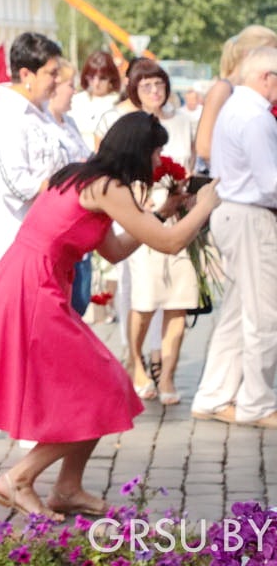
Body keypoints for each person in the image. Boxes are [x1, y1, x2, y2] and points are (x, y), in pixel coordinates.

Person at [0, 111, 220, 519]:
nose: (158, 162)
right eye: (156, 152)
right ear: (139, 151)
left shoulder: (82, 176)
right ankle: (19, 479)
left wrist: (161, 213)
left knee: (100, 388)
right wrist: (203, 206)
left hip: (32, 284)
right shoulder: (107, 187)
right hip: (32, 290)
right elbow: (170, 245)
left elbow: (114, 250)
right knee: (106, 388)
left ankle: (67, 488)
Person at [191, 47, 277, 428]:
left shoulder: (234, 106)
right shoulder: (256, 116)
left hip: (232, 211)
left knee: (238, 312)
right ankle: (256, 403)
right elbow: (271, 183)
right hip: (251, 217)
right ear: (265, 77)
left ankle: (213, 395)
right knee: (263, 315)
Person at [118, 60, 197, 405]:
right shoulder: (128, 126)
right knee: (146, 299)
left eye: (159, 85)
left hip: (178, 215)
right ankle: (136, 362)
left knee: (179, 300)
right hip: (142, 217)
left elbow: (192, 164)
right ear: (134, 90)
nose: (154, 92)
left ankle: (167, 374)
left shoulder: (181, 123)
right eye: (146, 86)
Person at [0, 32, 66, 285]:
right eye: (51, 73)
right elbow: (16, 184)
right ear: (26, 74)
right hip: (12, 237)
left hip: (47, 238)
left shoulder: (43, 113)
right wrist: (67, 184)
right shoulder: (3, 115)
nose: (57, 81)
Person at [194, 26, 277, 170]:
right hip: (228, 182)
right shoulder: (223, 89)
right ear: (247, 54)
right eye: (269, 52)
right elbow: (204, 147)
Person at [48, 58, 93, 315]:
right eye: (69, 85)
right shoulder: (44, 125)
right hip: (60, 221)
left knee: (80, 300)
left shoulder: (70, 123)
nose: (74, 91)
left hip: (79, 222)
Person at [70, 51, 122, 152]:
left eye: (102, 78)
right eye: (91, 77)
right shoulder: (75, 101)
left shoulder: (119, 102)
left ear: (112, 78)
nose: (96, 83)